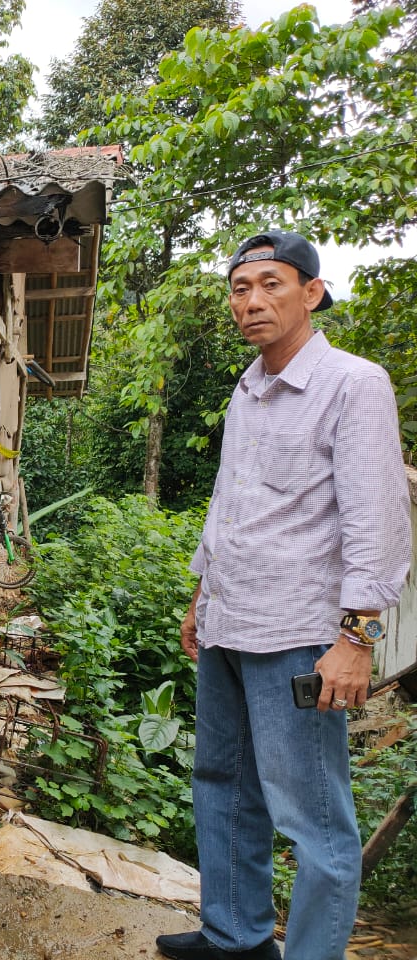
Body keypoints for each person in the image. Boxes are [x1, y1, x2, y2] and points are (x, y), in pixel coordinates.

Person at [157, 231, 410, 960]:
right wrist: (202, 591)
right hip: (233, 619)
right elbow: (230, 500)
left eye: (272, 283)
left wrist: (355, 638)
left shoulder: (353, 384)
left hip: (301, 633)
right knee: (223, 783)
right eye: (240, 288)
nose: (253, 302)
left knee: (313, 817)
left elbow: (378, 522)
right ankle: (235, 937)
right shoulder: (250, 385)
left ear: (313, 292)